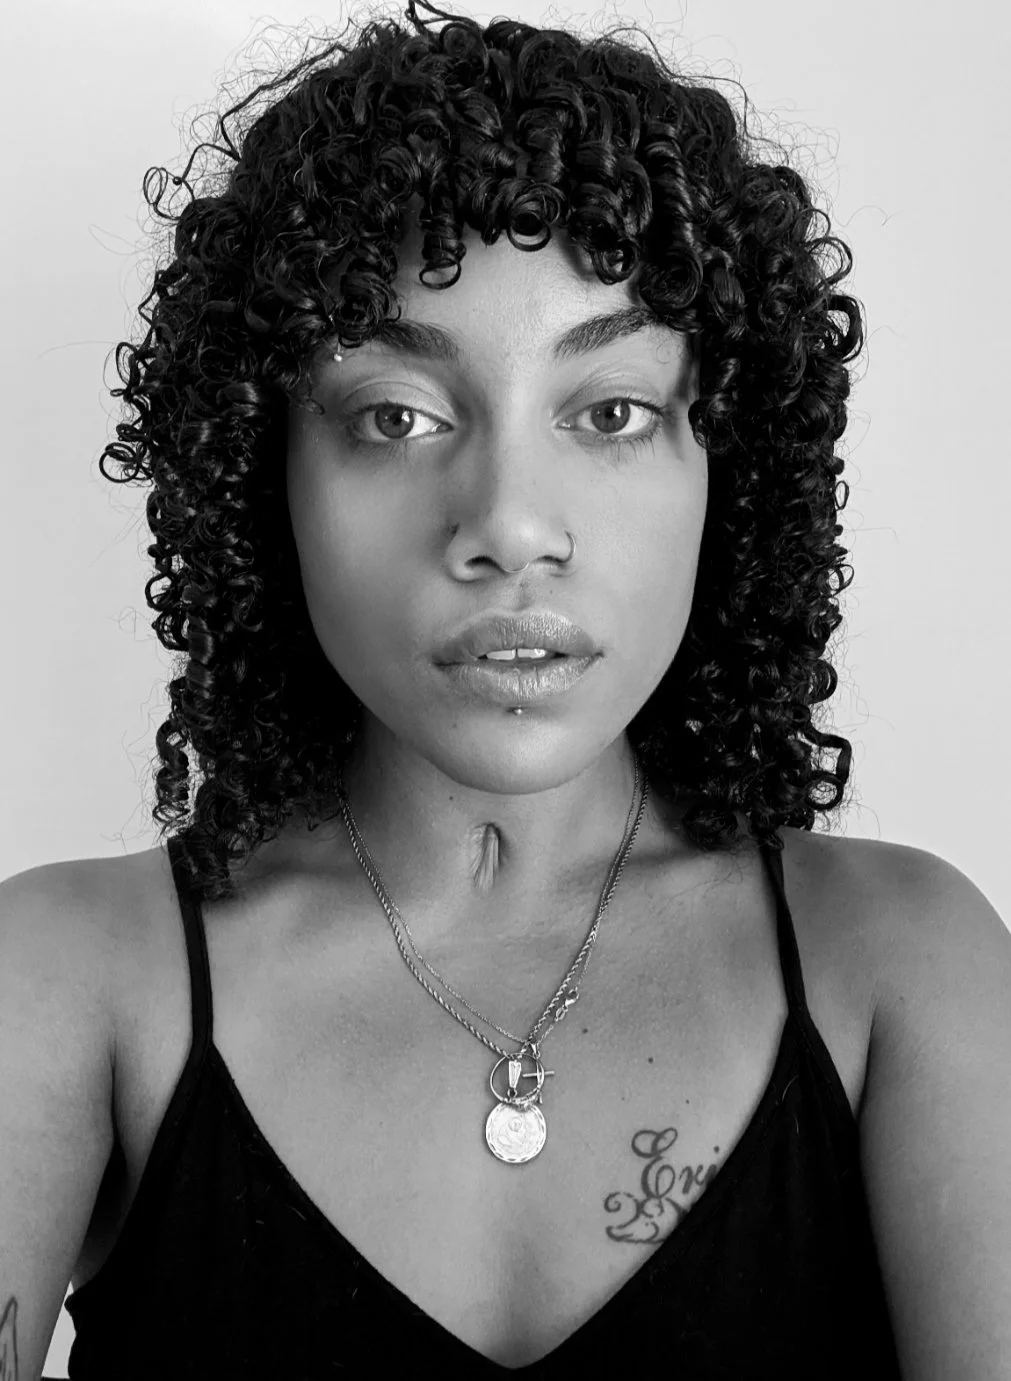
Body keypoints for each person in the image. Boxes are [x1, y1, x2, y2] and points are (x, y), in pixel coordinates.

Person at [3, 2, 1009, 1377]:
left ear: (729, 465)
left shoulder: (903, 970)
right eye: (394, 416)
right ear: (262, 476)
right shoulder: (65, 981)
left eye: (608, 412)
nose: (508, 523)